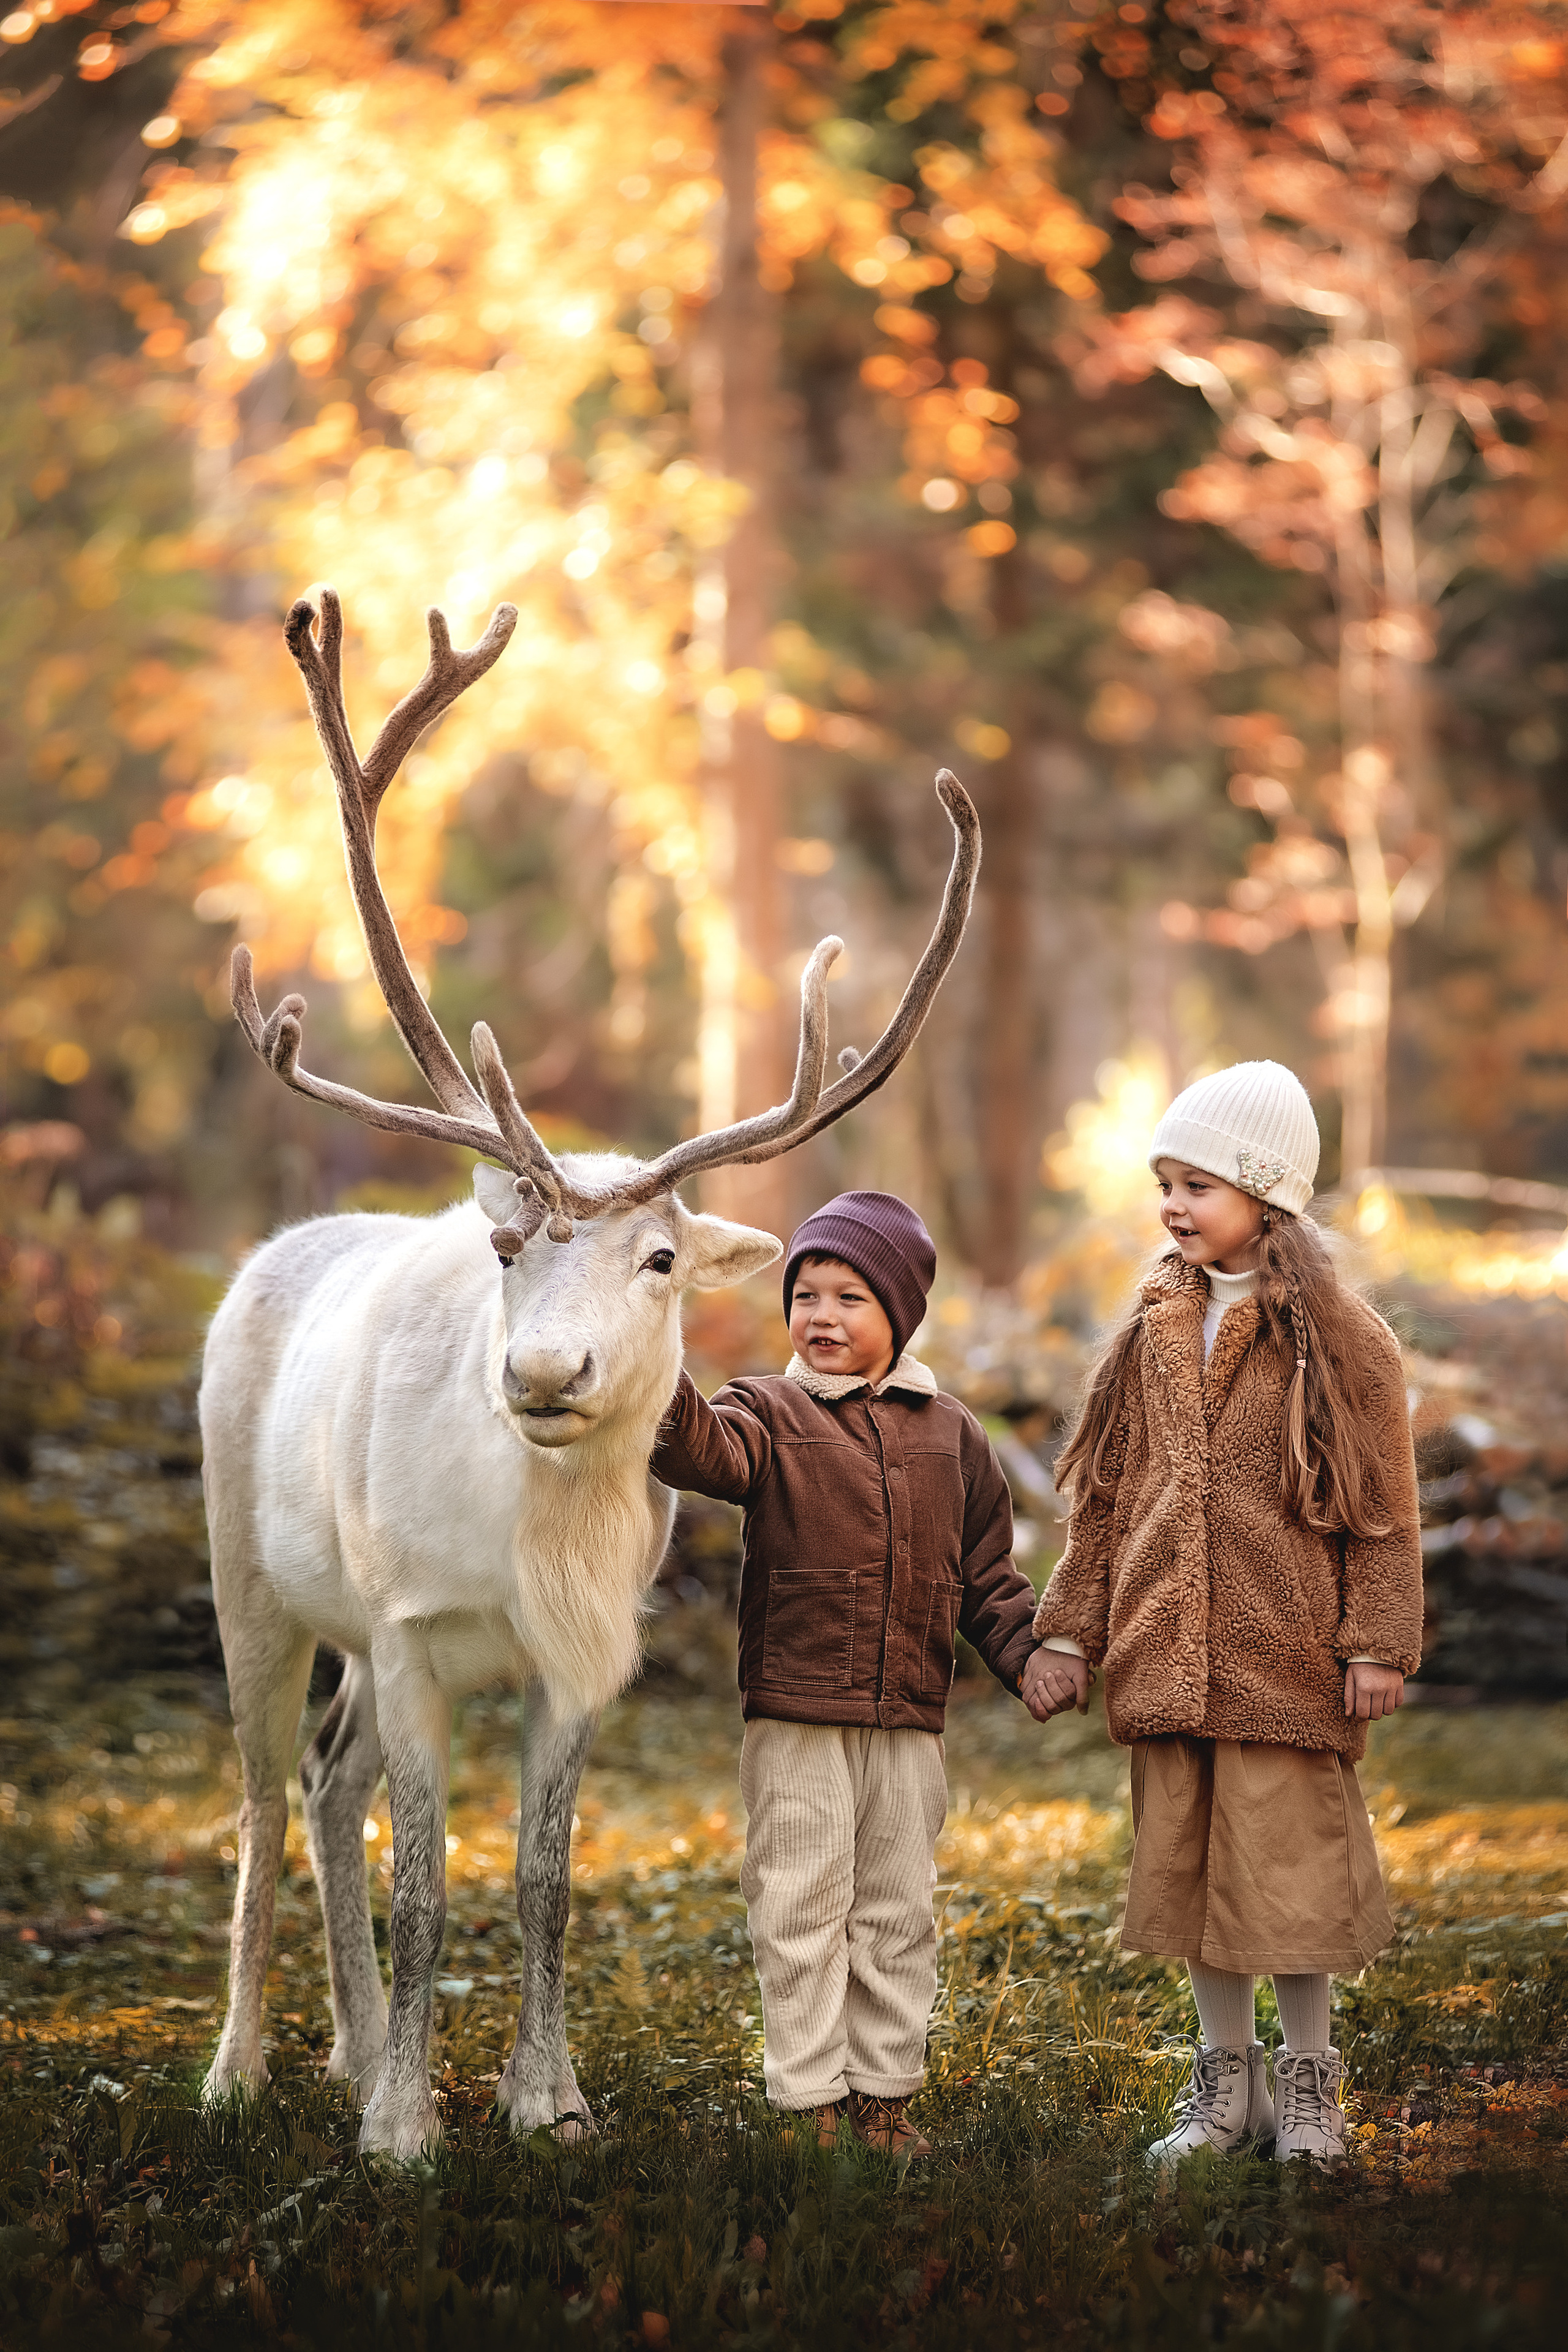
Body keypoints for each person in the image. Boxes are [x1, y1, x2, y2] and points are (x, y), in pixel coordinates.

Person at [1028, 1061, 1422, 2169]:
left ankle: (1307, 2091)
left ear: (1269, 1196)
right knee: (1193, 1876)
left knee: (1287, 1883)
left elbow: (1384, 1509)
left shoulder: (1344, 1341)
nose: (1172, 1204)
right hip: (1167, 1651)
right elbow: (1105, 1497)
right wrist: (1072, 1628)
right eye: (1164, 1181)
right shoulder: (1154, 1328)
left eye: (1197, 1183)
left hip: (1286, 1655)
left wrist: (1378, 1641)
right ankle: (1225, 2090)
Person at [652, 1189, 1060, 2158]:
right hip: (798, 1712)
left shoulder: (951, 1433)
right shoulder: (766, 1409)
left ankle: (883, 2096)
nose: (821, 1316)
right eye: (805, 1294)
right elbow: (698, 1450)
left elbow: (987, 1576)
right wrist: (649, 1361)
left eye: (849, 1297)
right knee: (799, 1902)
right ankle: (809, 2103)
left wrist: (1027, 1658)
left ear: (900, 1314)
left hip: (909, 1718)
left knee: (896, 1908)